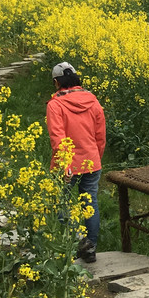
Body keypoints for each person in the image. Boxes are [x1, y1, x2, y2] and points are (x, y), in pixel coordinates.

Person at [47, 62, 106, 264]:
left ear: (56, 82)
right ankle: (90, 248)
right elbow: (100, 135)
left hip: (67, 165)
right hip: (92, 160)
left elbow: (57, 138)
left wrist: (66, 165)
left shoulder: (55, 105)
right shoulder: (93, 101)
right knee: (90, 201)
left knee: (58, 201)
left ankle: (76, 239)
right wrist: (96, 157)